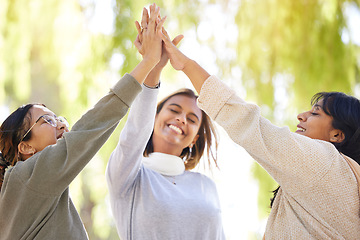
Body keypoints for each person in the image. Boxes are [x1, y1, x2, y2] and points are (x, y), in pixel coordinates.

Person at [158, 20, 360, 239]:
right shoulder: (338, 181)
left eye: (315, 113)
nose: (301, 116)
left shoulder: (325, 163)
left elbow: (249, 124)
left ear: (337, 135)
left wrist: (186, 64)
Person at [0, 4, 164, 239]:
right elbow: (87, 131)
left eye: (59, 118)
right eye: (47, 121)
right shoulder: (25, 178)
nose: (61, 125)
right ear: (25, 146)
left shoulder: (30, 191)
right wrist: (148, 62)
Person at [105, 7, 225, 240]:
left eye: (192, 119)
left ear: (195, 138)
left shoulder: (206, 186)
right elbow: (135, 133)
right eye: (174, 110)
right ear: (154, 116)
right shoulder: (128, 176)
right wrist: (153, 65)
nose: (181, 119)